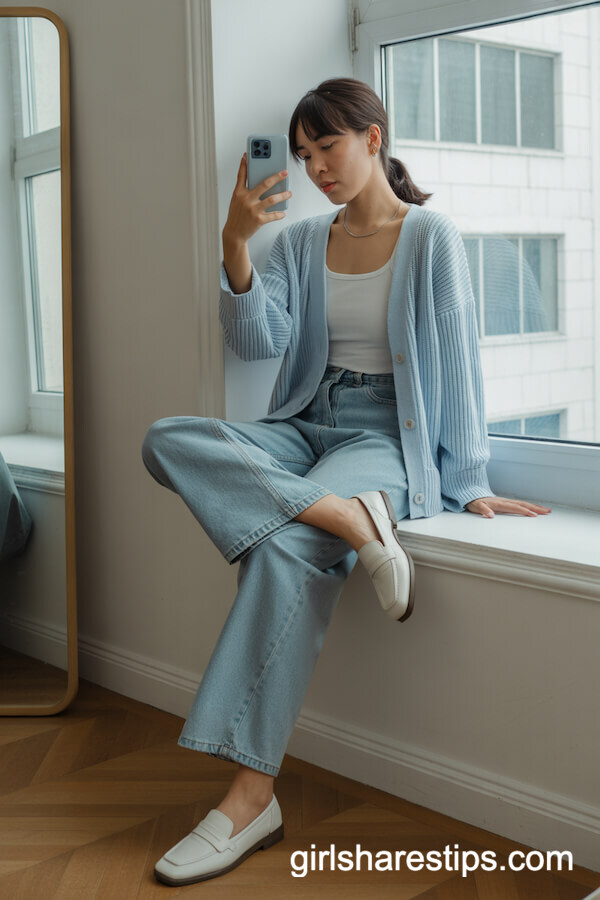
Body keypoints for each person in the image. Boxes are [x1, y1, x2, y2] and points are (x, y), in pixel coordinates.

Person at [142, 77, 551, 887]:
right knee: (166, 439)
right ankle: (356, 524)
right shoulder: (297, 242)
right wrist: (235, 244)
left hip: (382, 433)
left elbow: (460, 361)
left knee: (285, 552)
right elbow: (261, 344)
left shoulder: (432, 235)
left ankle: (248, 800)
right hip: (301, 422)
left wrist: (467, 480)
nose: (315, 165)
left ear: (373, 137)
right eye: (303, 154)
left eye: (327, 145)